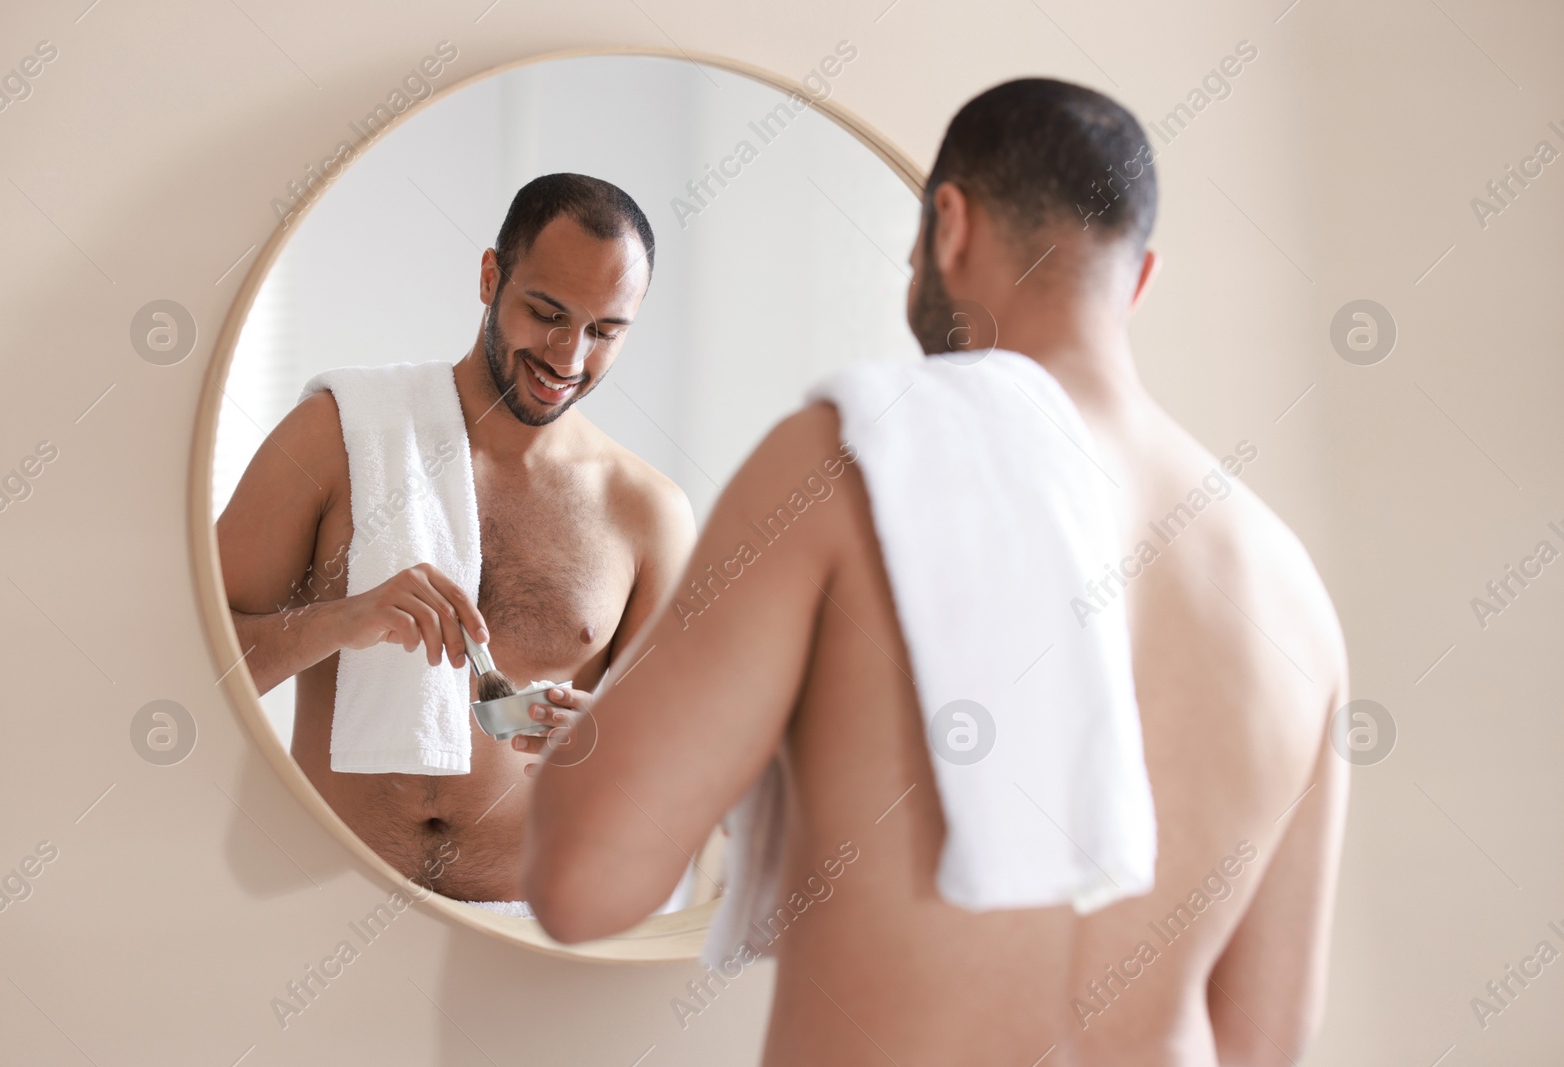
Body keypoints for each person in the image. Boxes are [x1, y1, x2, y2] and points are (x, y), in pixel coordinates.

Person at [522, 81, 1349, 1065]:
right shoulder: (1289, 589)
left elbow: (584, 882)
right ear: (1138, 277)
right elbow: (1264, 1041)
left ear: (947, 223)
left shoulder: (857, 452)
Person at [217, 173, 694, 904]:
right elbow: (190, 664)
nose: (568, 356)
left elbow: (691, 765)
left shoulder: (647, 513)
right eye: (547, 312)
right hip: (322, 897)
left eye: (604, 331)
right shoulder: (338, 435)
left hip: (528, 934)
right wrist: (342, 620)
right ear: (489, 276)